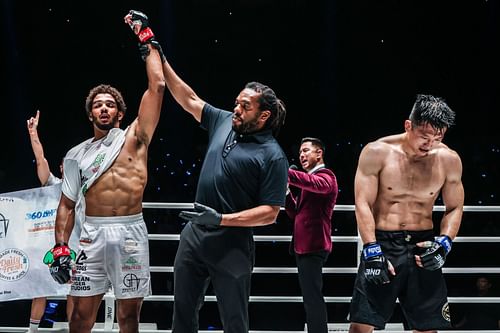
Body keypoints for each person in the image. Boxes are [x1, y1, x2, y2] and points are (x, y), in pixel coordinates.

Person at [151, 13, 288, 331]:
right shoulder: (224, 120)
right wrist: (160, 56)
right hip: (194, 237)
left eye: (245, 106)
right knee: (182, 313)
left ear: (263, 115)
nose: (237, 109)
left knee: (234, 321)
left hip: (233, 244)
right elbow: (188, 98)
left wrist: (223, 220)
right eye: (237, 103)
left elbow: (270, 213)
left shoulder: (272, 156)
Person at [47, 10, 165, 333]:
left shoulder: (136, 138)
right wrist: (60, 248)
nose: (103, 108)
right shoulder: (76, 155)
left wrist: (146, 39)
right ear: (90, 115)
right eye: (97, 104)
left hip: (130, 233)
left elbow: (157, 86)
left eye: (109, 104)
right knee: (79, 317)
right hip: (91, 236)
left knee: (129, 319)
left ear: (120, 112)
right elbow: (66, 205)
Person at [348, 94, 464, 333]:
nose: (430, 144)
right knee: (362, 325)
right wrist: (371, 248)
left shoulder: (449, 159)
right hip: (383, 242)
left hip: (424, 244)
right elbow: (363, 203)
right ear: (408, 125)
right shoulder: (377, 152)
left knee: (427, 327)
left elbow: (454, 207)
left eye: (437, 137)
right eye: (424, 136)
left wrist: (444, 243)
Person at [26, 110, 75, 332]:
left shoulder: (84, 191)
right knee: (40, 288)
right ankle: (32, 330)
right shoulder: (51, 184)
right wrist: (33, 133)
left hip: (74, 245)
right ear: (62, 168)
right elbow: (40, 159)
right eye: (66, 165)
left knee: (76, 290)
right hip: (48, 245)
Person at [284, 137, 338, 333]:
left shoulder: (326, 176)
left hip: (314, 245)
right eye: (300, 152)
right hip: (303, 245)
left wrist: (287, 173)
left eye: (306, 150)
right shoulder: (309, 181)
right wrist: (286, 192)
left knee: (313, 297)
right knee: (309, 296)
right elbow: (296, 212)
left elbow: (316, 184)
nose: (302, 155)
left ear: (319, 153)